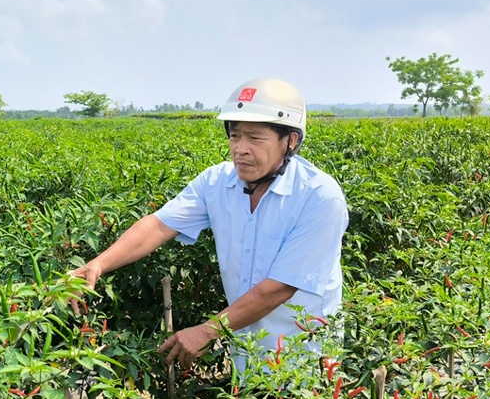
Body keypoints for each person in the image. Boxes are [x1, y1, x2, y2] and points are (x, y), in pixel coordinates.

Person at [71, 77, 348, 376]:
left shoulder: (320, 197)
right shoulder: (216, 183)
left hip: (305, 358)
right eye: (234, 136)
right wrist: (97, 265)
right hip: (245, 346)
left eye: (255, 138)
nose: (240, 149)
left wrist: (207, 331)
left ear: (290, 141)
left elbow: (279, 288)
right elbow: (159, 225)